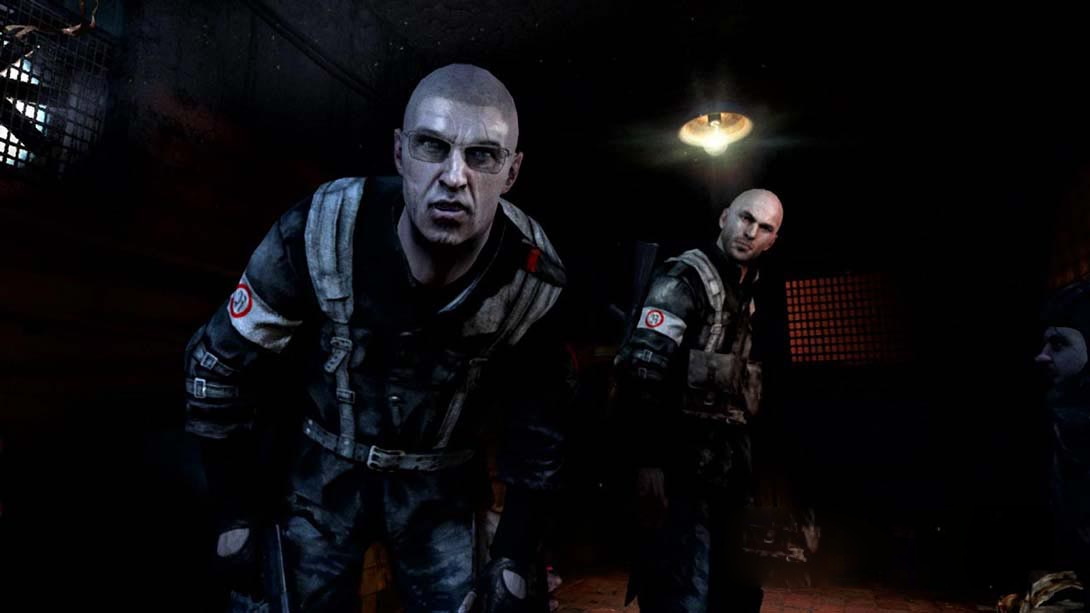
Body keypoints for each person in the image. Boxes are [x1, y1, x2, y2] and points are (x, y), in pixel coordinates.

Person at [183, 63, 571, 613]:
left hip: (441, 489)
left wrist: (511, 553)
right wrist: (233, 514)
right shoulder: (322, 229)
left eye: (482, 155)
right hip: (320, 478)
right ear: (398, 152)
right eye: (432, 146)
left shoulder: (531, 281)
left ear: (511, 173)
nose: (454, 177)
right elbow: (218, 365)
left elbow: (543, 432)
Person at [614, 189, 783, 612]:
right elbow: (642, 370)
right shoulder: (684, 277)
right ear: (725, 217)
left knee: (737, 596)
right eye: (745, 218)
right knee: (681, 595)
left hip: (727, 475)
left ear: (772, 240)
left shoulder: (748, 290)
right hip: (680, 474)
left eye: (764, 228)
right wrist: (649, 460)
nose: (750, 232)